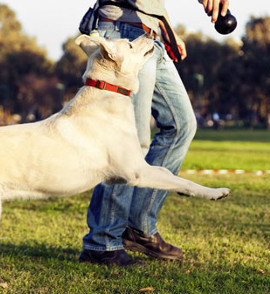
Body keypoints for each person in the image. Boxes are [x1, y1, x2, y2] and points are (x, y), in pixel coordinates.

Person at [78, 0, 232, 266]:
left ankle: (138, 227)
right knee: (130, 144)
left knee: (181, 125)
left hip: (150, 36)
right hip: (121, 35)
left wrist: (165, 26)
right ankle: (101, 243)